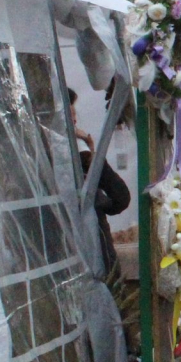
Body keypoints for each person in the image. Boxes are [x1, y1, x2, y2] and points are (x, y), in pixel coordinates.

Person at [67, 90, 130, 280]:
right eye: (71, 116)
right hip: (97, 255)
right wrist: (99, 204)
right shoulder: (82, 154)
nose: (75, 121)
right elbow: (121, 197)